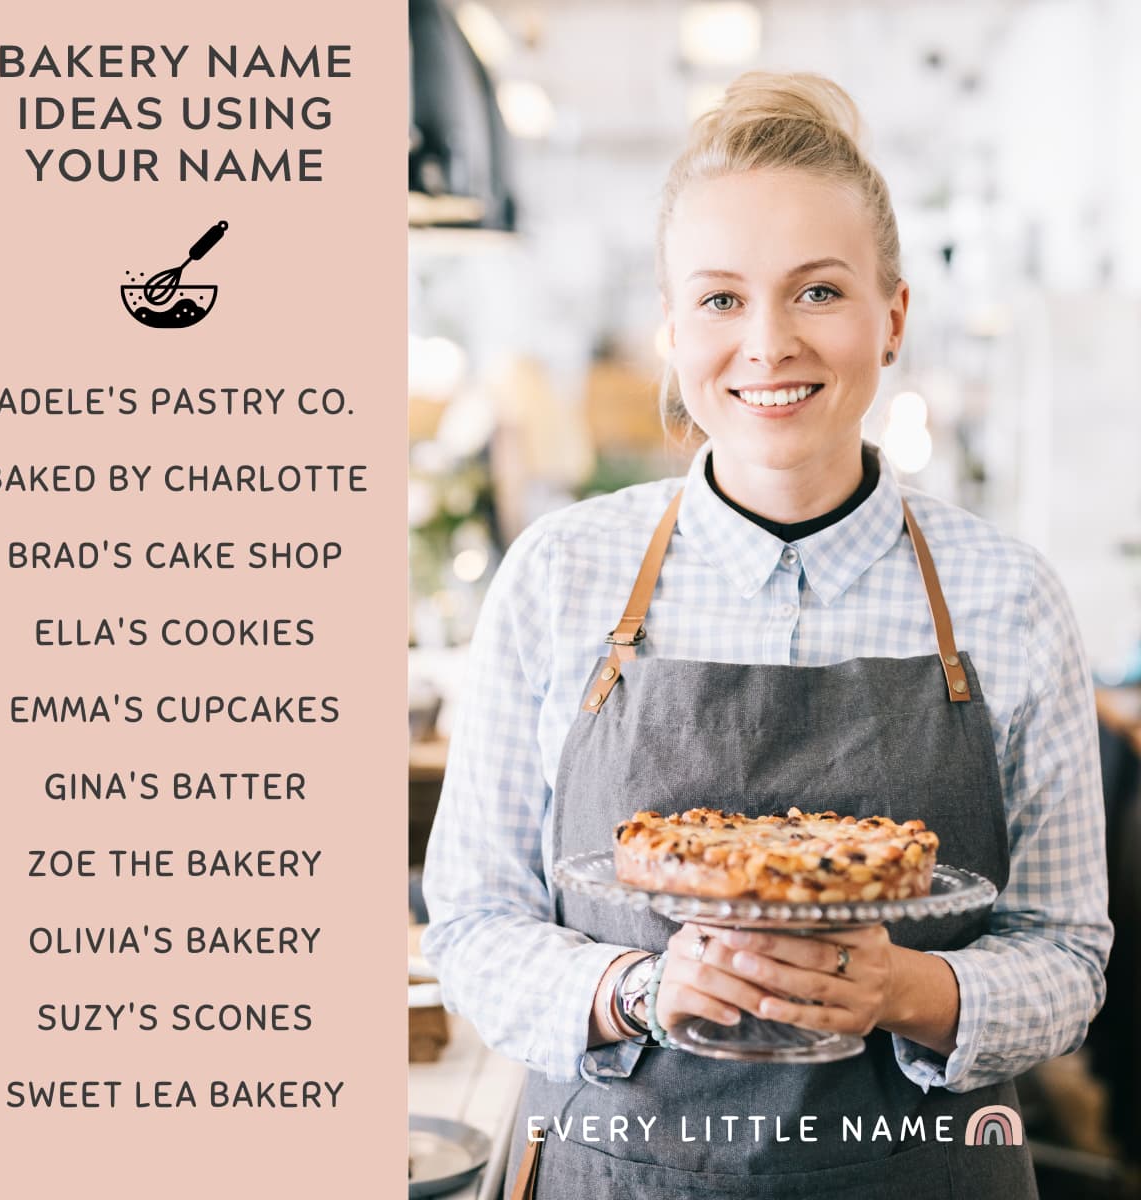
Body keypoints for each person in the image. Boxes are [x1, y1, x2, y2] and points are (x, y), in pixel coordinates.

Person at [422, 72, 1112, 1199]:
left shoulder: (1008, 596)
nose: (769, 343)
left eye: (819, 292)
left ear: (892, 317)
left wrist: (904, 993)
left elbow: (1070, 955)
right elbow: (471, 923)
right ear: (670, 329)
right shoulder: (559, 577)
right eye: (720, 300)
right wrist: (641, 987)